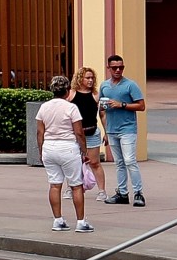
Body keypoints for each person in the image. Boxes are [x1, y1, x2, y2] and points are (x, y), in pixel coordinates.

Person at [35, 75, 92, 232]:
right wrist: (84, 151)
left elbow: (40, 132)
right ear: (67, 91)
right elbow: (79, 132)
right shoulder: (71, 108)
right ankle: (81, 222)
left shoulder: (44, 107)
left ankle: (58, 220)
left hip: (49, 148)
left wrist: (41, 151)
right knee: (76, 186)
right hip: (68, 148)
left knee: (54, 185)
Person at [99, 54, 146, 206]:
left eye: (121, 67)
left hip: (127, 128)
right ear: (109, 68)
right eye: (114, 68)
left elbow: (141, 105)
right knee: (119, 162)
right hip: (112, 129)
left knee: (130, 160)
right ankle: (122, 193)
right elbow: (101, 108)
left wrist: (122, 105)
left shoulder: (130, 85)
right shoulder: (104, 86)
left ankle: (138, 193)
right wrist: (105, 130)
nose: (118, 70)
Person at [72, 67, 105, 193]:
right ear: (80, 79)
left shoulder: (96, 95)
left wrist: (106, 133)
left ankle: (102, 190)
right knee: (74, 164)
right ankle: (73, 189)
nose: (90, 80)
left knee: (94, 162)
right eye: (87, 78)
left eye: (92, 78)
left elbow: (102, 114)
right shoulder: (71, 94)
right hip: (75, 134)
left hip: (92, 133)